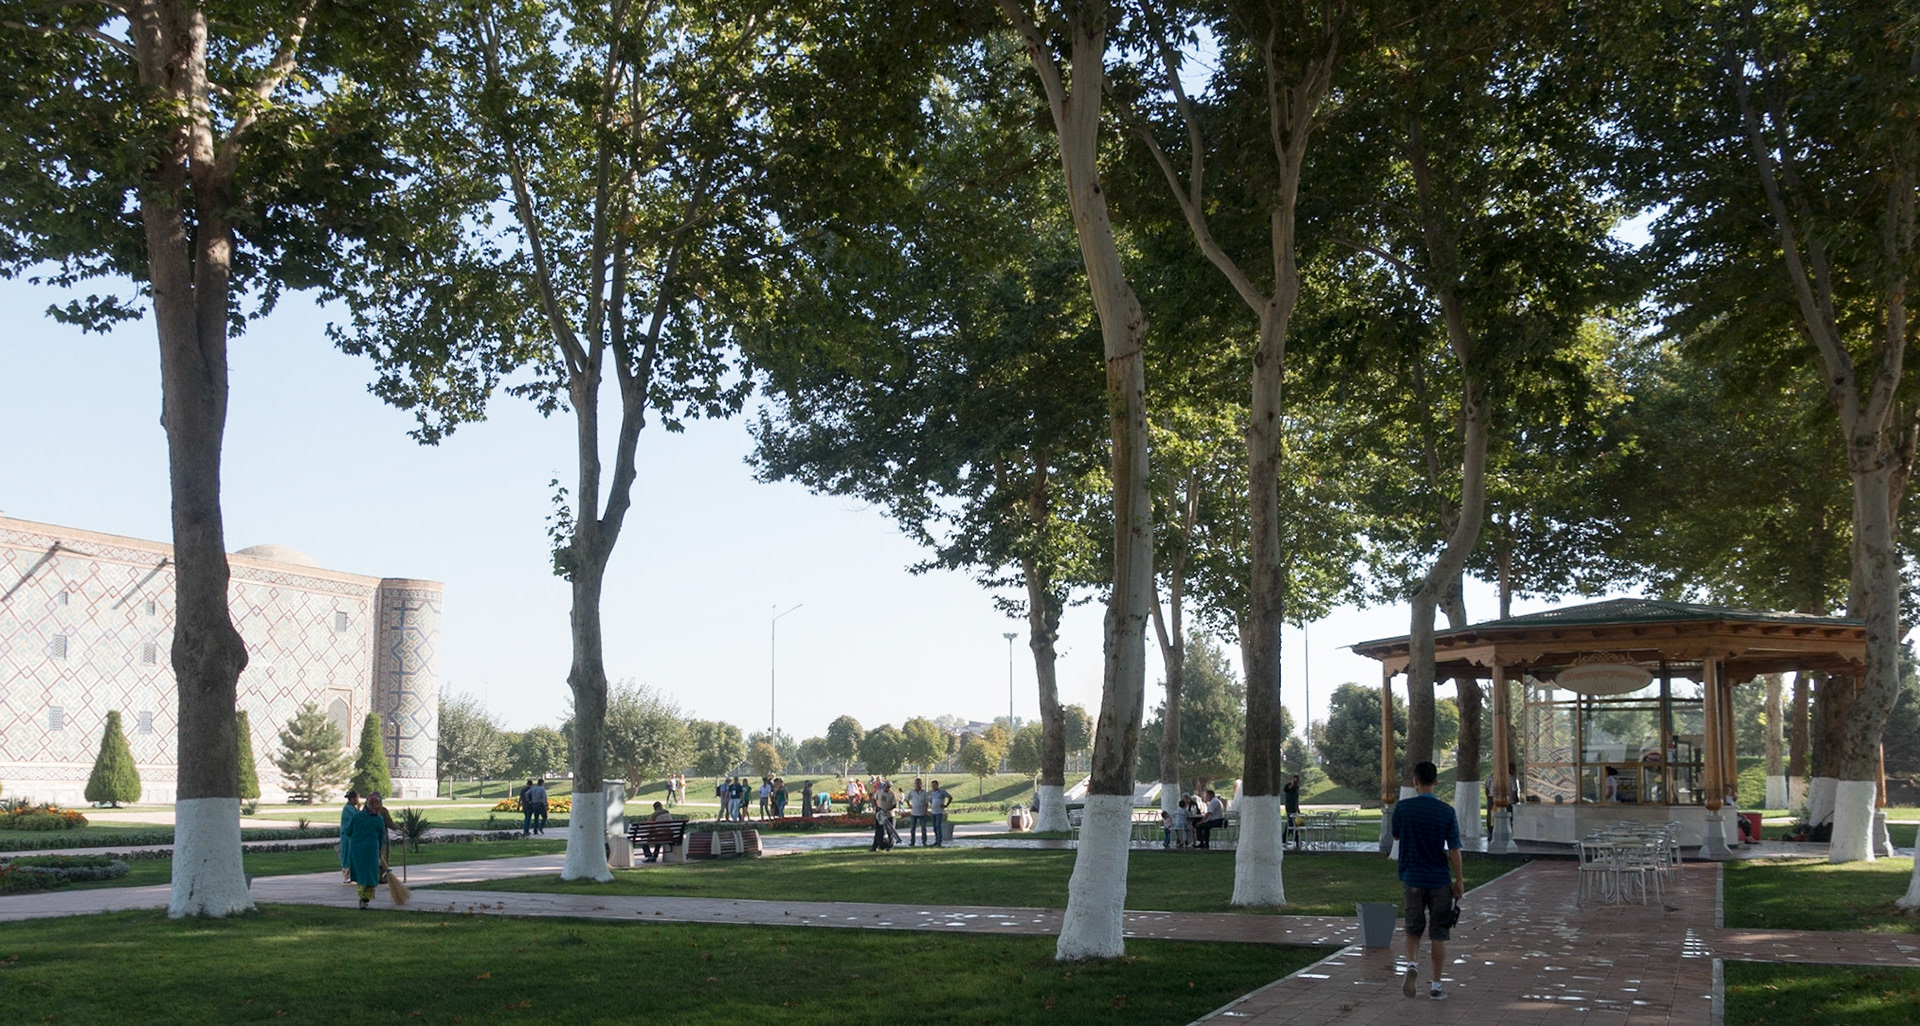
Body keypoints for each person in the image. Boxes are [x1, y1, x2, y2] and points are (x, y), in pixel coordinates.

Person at [1392, 761, 1465, 1001]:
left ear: (1415, 781)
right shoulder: (1446, 811)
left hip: (1412, 877)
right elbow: (1454, 849)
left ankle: (1412, 964)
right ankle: (1436, 985)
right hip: (1439, 880)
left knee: (1413, 929)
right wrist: (1459, 880)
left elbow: (1396, 835)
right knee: (1438, 933)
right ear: (1435, 782)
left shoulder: (1403, 808)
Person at [345, 791, 391, 910]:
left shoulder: (356, 816)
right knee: (370, 875)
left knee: (361, 874)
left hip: (356, 849)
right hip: (371, 850)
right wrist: (379, 850)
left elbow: (348, 831)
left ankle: (362, 896)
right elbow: (381, 838)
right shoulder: (379, 819)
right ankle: (365, 899)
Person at [338, 790, 361, 881]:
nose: (358, 800)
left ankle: (352, 874)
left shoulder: (352, 808)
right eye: (357, 798)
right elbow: (355, 818)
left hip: (352, 836)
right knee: (347, 854)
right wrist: (359, 809)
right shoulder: (348, 809)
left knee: (352, 854)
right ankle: (347, 873)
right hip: (347, 835)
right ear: (352, 799)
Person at [871, 780, 898, 851]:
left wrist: (887, 810)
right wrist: (876, 807)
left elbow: (894, 805)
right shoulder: (879, 792)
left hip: (889, 815)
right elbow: (874, 799)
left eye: (889, 787)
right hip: (880, 815)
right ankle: (875, 846)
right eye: (886, 786)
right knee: (879, 831)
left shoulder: (891, 794)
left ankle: (890, 846)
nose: (887, 788)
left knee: (890, 832)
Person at [906, 778, 931, 846]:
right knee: (912, 829)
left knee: (923, 828)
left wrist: (925, 810)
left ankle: (924, 842)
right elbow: (907, 798)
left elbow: (926, 802)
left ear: (921, 784)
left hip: (922, 813)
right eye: (916, 783)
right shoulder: (912, 792)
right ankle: (912, 842)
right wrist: (909, 805)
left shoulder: (924, 793)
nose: (917, 784)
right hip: (914, 813)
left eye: (918, 783)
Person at [927, 779, 951, 847]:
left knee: (938, 826)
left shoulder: (942, 792)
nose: (933, 787)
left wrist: (946, 805)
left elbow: (950, 797)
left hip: (939, 812)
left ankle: (939, 841)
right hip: (933, 812)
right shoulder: (932, 793)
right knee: (934, 827)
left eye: (934, 785)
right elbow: (931, 801)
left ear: (937, 785)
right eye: (932, 785)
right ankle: (936, 840)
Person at [1283, 774, 1302, 847]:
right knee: (1291, 823)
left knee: (1293, 824)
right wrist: (1292, 784)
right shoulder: (1288, 786)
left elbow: (1296, 799)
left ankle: (1293, 839)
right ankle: (1293, 839)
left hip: (1294, 808)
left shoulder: (1296, 788)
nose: (1296, 782)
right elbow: (1286, 790)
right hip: (1289, 807)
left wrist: (1298, 809)